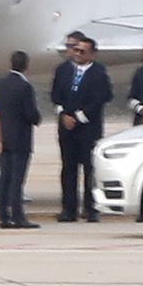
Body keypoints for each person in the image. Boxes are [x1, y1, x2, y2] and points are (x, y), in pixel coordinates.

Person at [50, 32, 111, 222]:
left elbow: (102, 98)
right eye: (75, 50)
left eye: (82, 51)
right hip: (67, 129)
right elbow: (55, 95)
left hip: (88, 128)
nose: (77, 54)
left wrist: (78, 116)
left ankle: (91, 208)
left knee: (89, 169)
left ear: (91, 54)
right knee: (68, 169)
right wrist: (63, 115)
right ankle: (68, 209)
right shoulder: (63, 70)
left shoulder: (99, 73)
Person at [0, 50, 42, 228]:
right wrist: (37, 118)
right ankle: (18, 215)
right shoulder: (25, 87)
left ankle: (3, 216)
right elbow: (30, 113)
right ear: (26, 66)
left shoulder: (0, 85)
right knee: (17, 179)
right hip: (20, 138)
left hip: (4, 137)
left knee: (4, 177)